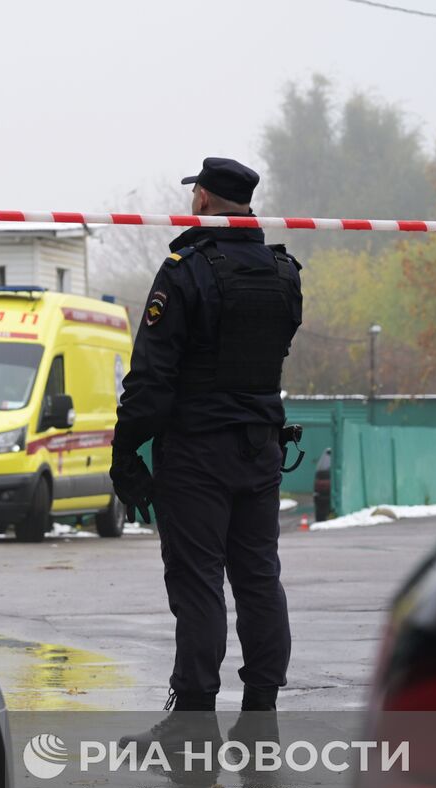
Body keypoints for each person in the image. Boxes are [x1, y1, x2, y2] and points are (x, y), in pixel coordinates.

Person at [111, 157, 303, 724]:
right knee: (258, 577)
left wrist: (126, 455)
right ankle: (261, 707)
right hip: (261, 447)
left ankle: (191, 716)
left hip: (197, 453)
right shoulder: (283, 271)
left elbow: (152, 377)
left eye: (194, 191)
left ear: (202, 201)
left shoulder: (184, 270)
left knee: (198, 584)